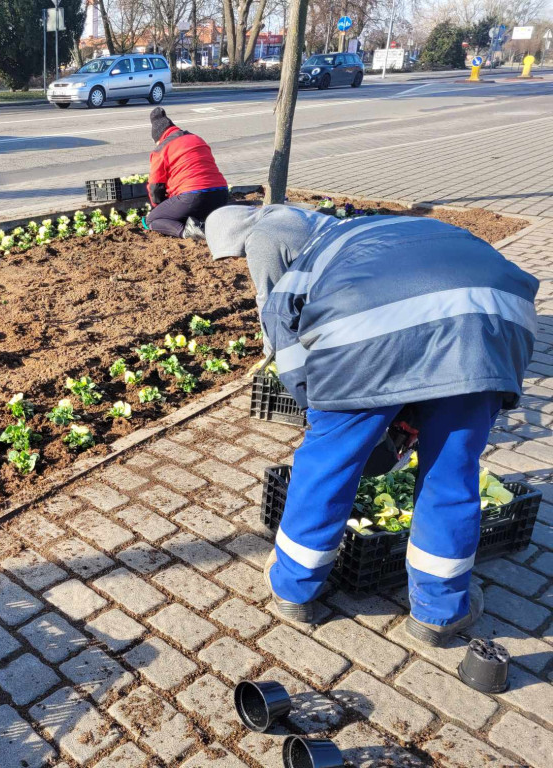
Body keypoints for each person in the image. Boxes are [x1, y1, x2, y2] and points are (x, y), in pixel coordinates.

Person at [206, 204, 539, 646]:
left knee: (328, 463)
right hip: (492, 321)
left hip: (367, 338)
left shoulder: (309, 263)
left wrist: (326, 414)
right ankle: (438, 613)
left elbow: (289, 351)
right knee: (451, 472)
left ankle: (293, 588)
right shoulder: (385, 229)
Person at [143, 107, 229, 239]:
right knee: (195, 211)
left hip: (192, 197)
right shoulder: (197, 138)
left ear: (159, 138)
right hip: (221, 195)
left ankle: (186, 232)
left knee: (152, 220)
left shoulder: (161, 148)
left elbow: (155, 187)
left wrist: (158, 208)